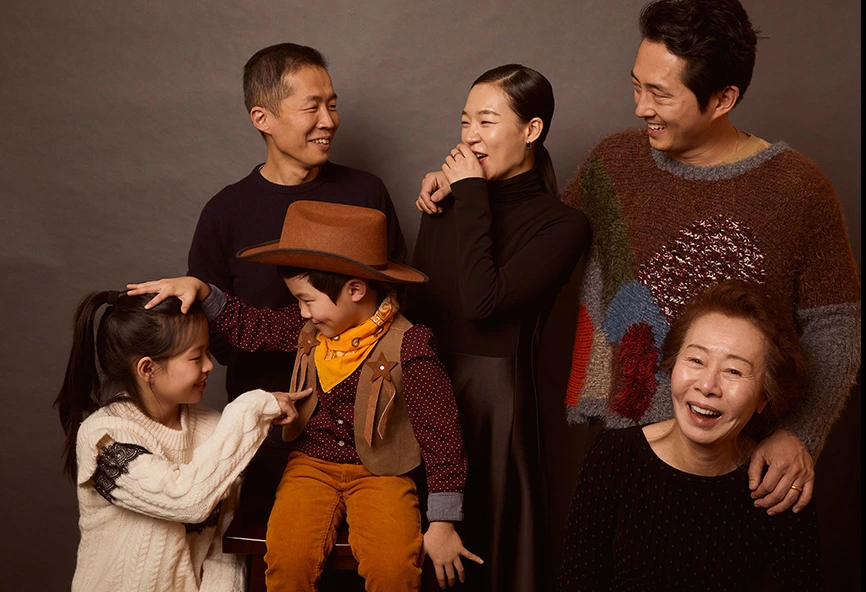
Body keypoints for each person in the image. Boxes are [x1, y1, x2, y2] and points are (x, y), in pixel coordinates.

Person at [556, 0, 861, 515]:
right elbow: (541, 245)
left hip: (744, 466)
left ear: (723, 99)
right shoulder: (613, 163)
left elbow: (835, 326)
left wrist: (799, 433)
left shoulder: (797, 190)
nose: (640, 107)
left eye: (659, 94)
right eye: (636, 86)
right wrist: (470, 188)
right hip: (624, 449)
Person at [128, 200, 481, 592]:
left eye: (307, 300)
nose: (302, 311)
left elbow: (441, 435)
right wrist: (203, 290)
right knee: (288, 558)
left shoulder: (411, 344)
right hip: (311, 465)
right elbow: (252, 326)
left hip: (383, 473)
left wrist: (444, 522)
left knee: (394, 567)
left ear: (355, 289)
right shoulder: (306, 326)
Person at [410, 65, 590, 592]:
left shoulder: (564, 226)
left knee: (487, 566)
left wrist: (469, 196)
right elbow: (420, 310)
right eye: (466, 121)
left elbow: (482, 303)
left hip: (496, 411)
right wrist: (460, 197)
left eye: (486, 122)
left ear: (531, 130)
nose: (471, 136)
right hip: (424, 392)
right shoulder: (445, 203)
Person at [556, 280, 823, 591]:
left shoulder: (778, 482)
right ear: (673, 365)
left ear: (764, 396)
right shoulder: (615, 456)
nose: (707, 386)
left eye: (734, 371)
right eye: (696, 360)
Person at [188, 42, 407, 407]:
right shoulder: (224, 212)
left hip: (360, 416)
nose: (329, 121)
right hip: (264, 412)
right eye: (312, 107)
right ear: (262, 119)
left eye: (332, 105)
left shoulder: (366, 192)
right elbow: (213, 330)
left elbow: (396, 298)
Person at [54, 290, 311, 592]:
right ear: (147, 369)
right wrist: (251, 408)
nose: (209, 366)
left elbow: (222, 550)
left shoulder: (215, 428)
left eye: (207, 352)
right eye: (196, 356)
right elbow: (186, 500)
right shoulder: (105, 436)